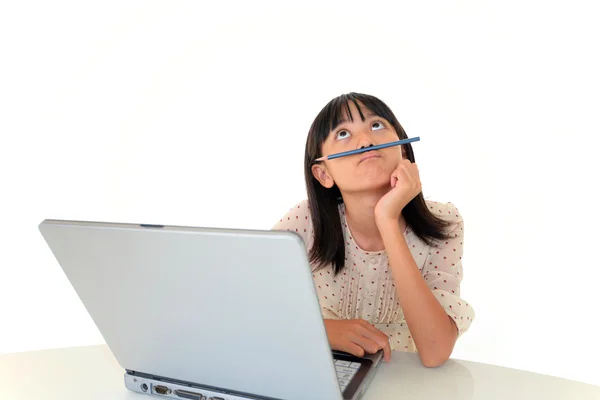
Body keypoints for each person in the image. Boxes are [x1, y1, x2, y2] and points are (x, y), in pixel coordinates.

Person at [272, 92, 474, 367]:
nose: (366, 141)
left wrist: (387, 220)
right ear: (323, 174)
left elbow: (435, 351)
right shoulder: (304, 221)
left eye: (377, 125)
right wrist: (323, 330)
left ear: (402, 150)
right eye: (343, 133)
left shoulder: (445, 222)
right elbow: (244, 305)